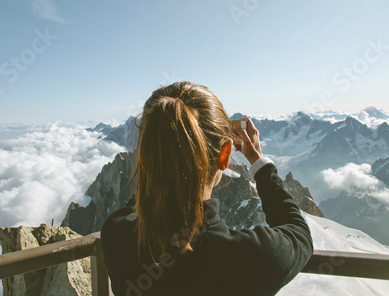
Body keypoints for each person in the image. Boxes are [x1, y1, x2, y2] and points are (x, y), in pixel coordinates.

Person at [100, 82, 313, 296]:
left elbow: (141, 204)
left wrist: (160, 155)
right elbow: (299, 233)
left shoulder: (117, 235)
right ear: (225, 154)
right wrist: (258, 163)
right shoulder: (253, 257)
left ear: (147, 153)